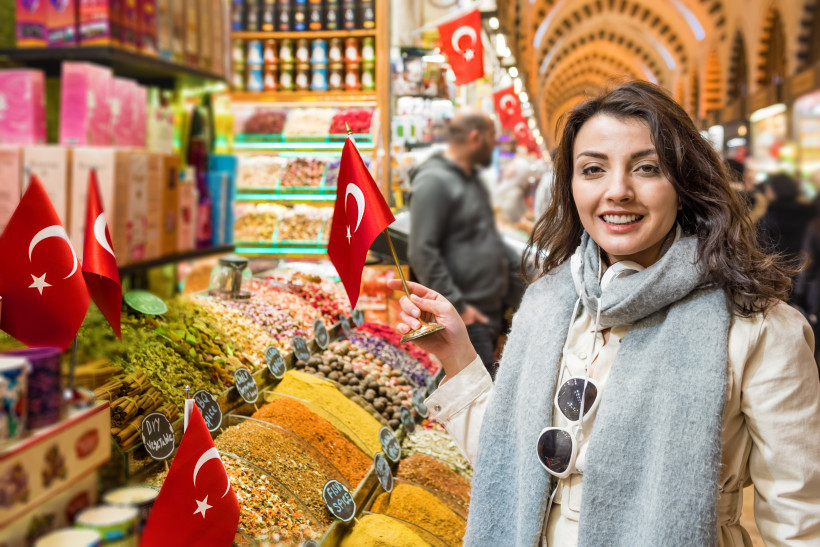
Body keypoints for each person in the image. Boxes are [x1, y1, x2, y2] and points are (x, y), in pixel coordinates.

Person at [390, 81, 820, 546]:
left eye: (647, 168)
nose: (618, 191)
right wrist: (457, 355)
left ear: (684, 182)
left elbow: (799, 521)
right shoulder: (549, 304)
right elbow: (513, 469)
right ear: (571, 185)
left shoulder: (758, 328)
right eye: (593, 169)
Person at [407, 106, 514, 377]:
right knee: (473, 396)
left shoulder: (469, 179)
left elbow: (487, 237)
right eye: (493, 138)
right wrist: (458, 307)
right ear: (476, 137)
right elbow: (422, 251)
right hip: (465, 318)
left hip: (485, 312)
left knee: (484, 391)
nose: (495, 147)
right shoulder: (434, 181)